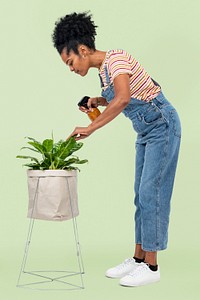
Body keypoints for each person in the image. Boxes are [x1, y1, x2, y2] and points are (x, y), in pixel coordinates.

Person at [52, 11, 181, 287]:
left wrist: (90, 128)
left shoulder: (117, 59)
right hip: (146, 132)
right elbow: (119, 94)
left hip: (163, 127)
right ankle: (138, 259)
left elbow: (122, 99)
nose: (71, 68)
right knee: (140, 194)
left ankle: (152, 266)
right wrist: (96, 100)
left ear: (83, 50)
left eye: (70, 61)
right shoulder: (105, 72)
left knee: (151, 193)